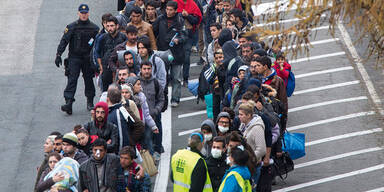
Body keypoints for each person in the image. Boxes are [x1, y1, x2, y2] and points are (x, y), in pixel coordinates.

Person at [55, 4, 99, 114]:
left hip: (87, 58)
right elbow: (64, 40)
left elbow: (97, 45)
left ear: (88, 13)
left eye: (85, 13)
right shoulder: (71, 27)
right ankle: (68, 102)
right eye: (82, 13)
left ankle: (90, 101)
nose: (83, 15)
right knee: (72, 79)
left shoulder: (94, 28)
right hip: (74, 57)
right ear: (78, 13)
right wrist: (58, 54)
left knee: (89, 80)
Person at [152, 1, 186, 107]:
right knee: (163, 77)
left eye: (171, 9)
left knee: (176, 78)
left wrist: (178, 40)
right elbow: (153, 32)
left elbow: (185, 36)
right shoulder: (160, 19)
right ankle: (162, 98)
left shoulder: (180, 20)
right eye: (167, 9)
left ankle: (175, 99)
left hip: (177, 53)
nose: (168, 11)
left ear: (176, 10)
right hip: (162, 52)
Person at [107, 85, 145, 150]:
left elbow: (139, 125)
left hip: (122, 150)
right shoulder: (109, 111)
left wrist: (130, 141)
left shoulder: (122, 110)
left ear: (107, 99)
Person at [126, 76, 158, 154]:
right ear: (131, 86)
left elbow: (146, 114)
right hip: (132, 129)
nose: (140, 86)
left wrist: (153, 126)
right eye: (138, 84)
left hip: (142, 127)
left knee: (146, 144)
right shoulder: (126, 100)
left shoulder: (141, 97)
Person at [174, 0, 202, 87]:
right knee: (175, 58)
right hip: (176, 34)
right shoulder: (175, 3)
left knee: (186, 58)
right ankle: (174, 78)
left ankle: (185, 78)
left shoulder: (193, 4)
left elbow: (196, 21)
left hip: (188, 35)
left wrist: (188, 16)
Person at [96, 16, 128, 91]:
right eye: (108, 26)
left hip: (119, 68)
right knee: (105, 90)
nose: (110, 28)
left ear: (117, 26)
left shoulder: (123, 37)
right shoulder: (102, 38)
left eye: (112, 26)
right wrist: (100, 66)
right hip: (106, 68)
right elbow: (97, 52)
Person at [139, 61, 164, 155]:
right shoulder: (136, 82)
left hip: (151, 117)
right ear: (140, 70)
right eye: (144, 69)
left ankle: (152, 159)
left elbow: (161, 99)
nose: (146, 71)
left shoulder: (155, 83)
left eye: (148, 69)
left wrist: (155, 110)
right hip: (139, 119)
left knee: (148, 139)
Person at [205, 49, 226, 121]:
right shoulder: (213, 68)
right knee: (216, 111)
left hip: (224, 92)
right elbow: (209, 80)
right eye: (216, 58)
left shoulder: (226, 67)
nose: (218, 60)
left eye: (220, 57)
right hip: (216, 93)